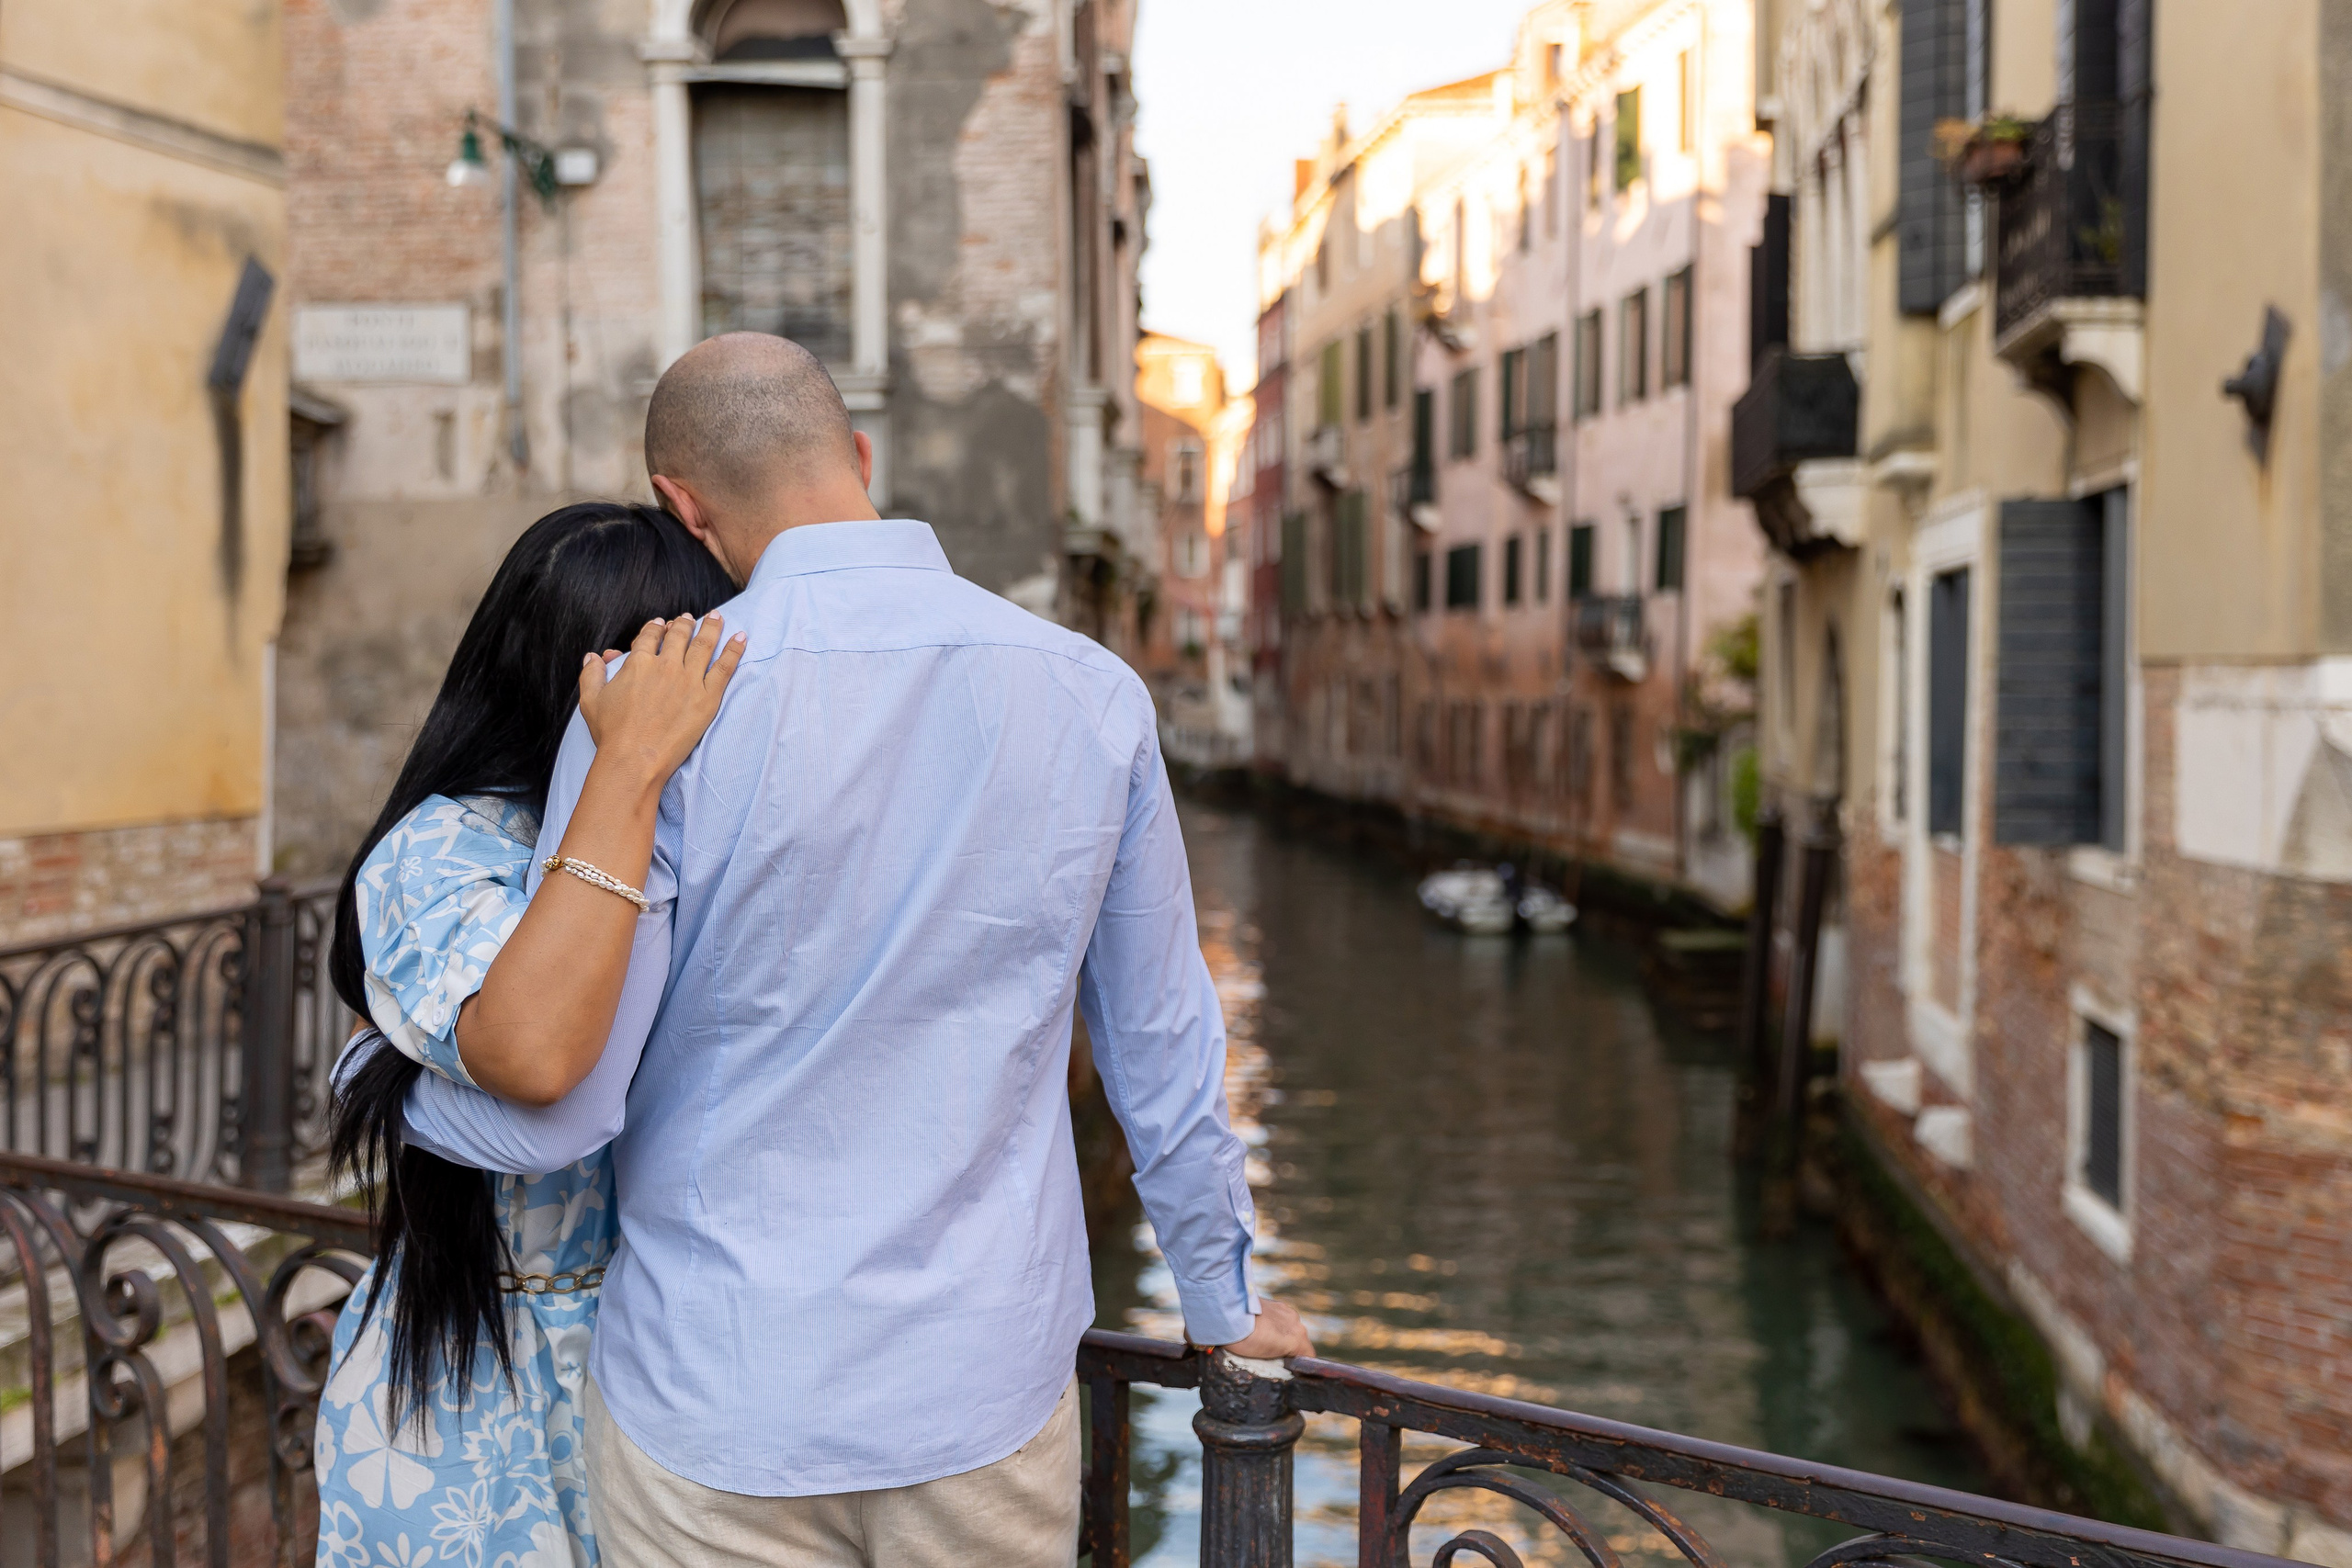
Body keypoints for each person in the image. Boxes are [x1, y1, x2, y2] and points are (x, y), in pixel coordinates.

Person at [394, 333, 1315, 1568]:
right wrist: (1221, 1299)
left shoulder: (648, 716)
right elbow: (1160, 1038)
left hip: (714, 1400)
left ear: (682, 504)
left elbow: (573, 1102)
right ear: (861, 457)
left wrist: (391, 1088)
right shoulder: (1092, 692)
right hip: (979, 1396)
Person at [314, 502, 745, 1568]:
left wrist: (374, 1074)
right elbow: (544, 1068)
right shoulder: (443, 850)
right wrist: (626, 766)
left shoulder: (710, 836)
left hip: (680, 1381)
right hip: (470, 1383)